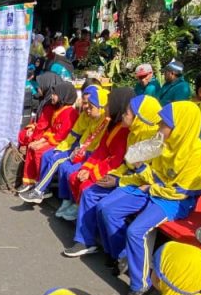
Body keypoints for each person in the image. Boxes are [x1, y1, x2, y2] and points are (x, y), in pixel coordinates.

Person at [98, 101, 201, 295]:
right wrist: (142, 169)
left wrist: (147, 180)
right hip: (150, 186)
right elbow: (132, 157)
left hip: (175, 201)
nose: (159, 128)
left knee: (136, 231)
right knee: (106, 209)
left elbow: (178, 192)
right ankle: (123, 256)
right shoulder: (160, 141)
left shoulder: (198, 155)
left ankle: (140, 285)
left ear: (181, 127)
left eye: (164, 124)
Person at [64, 94, 162, 258]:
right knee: (90, 193)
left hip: (140, 184)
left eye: (128, 112)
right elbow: (126, 163)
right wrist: (111, 176)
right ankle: (86, 241)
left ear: (139, 118)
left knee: (106, 207)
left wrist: (116, 180)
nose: (124, 114)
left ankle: (121, 253)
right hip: (128, 177)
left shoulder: (150, 140)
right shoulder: (132, 131)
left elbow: (144, 175)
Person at [19, 85, 109, 206]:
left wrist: (68, 148)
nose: (85, 107)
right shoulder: (87, 115)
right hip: (77, 147)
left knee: (57, 161)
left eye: (89, 104)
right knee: (48, 155)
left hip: (88, 153)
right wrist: (60, 148)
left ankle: (40, 191)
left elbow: (92, 143)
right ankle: (40, 186)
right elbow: (74, 134)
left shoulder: (104, 121)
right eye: (85, 102)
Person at [54, 88, 133, 222]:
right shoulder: (113, 124)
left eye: (108, 105)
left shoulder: (123, 130)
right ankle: (72, 204)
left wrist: (92, 173)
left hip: (117, 172)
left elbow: (116, 160)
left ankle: (84, 228)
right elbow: (101, 150)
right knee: (74, 175)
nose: (106, 108)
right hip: (101, 162)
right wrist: (87, 168)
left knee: (85, 187)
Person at [18, 82, 79, 188]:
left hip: (62, 143)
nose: (52, 96)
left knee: (39, 151)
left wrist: (42, 143)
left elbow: (61, 135)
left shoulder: (70, 113)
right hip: (54, 139)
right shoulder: (58, 110)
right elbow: (52, 129)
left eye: (55, 94)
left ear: (63, 95)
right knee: (32, 147)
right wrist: (40, 141)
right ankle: (29, 181)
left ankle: (41, 183)